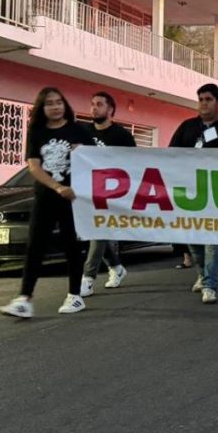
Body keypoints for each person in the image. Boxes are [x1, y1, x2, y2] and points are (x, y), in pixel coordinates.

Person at [0, 87, 90, 318]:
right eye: (50, 103)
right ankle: (24, 299)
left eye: (59, 102)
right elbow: (34, 166)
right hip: (47, 196)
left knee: (72, 245)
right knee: (35, 246)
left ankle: (75, 295)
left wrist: (83, 153)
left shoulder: (78, 130)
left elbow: (97, 161)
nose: (56, 106)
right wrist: (57, 187)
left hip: (73, 198)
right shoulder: (37, 131)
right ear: (42, 108)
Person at [168, 83, 218, 304]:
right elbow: (171, 154)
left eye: (208, 99)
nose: (203, 103)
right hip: (190, 192)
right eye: (200, 99)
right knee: (193, 239)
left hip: (216, 194)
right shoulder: (187, 126)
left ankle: (210, 284)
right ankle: (202, 274)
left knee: (212, 239)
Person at [80, 91, 136, 297]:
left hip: (113, 192)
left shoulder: (122, 136)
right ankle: (116, 267)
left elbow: (133, 165)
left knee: (99, 229)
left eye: (99, 104)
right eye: (92, 104)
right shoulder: (83, 131)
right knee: (97, 231)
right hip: (87, 190)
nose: (94, 108)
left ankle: (88, 277)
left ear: (110, 109)